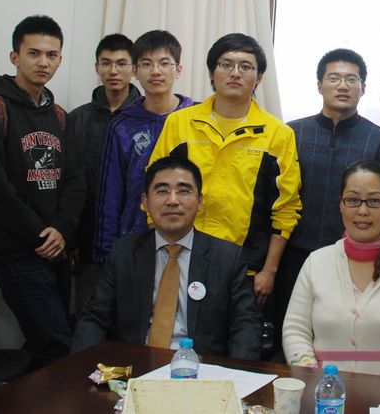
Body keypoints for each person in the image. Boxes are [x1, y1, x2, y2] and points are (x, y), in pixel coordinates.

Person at [148, 33, 301, 330]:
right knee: (176, 338)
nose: (235, 73)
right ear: (211, 72)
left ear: (259, 77)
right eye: (226, 64)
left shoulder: (278, 135)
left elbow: (285, 209)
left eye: (246, 66)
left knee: (235, 344)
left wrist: (269, 271)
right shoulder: (179, 123)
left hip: (246, 267)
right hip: (180, 257)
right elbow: (154, 191)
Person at [0, 15, 84, 368]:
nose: (43, 62)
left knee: (49, 340)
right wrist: (41, 234)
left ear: (60, 60)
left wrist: (62, 229)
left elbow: (75, 179)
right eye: (34, 53)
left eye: (51, 55)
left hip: (56, 248)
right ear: (15, 57)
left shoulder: (59, 116)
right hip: (16, 252)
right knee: (56, 345)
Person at [72, 156, 262, 359]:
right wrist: (79, 366)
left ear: (200, 201)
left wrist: (237, 374)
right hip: (134, 366)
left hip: (201, 369)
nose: (173, 200)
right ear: (145, 202)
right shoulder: (124, 252)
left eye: (184, 191)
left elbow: (245, 324)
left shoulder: (226, 257)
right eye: (162, 191)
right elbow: (95, 318)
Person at [279, 48, 380, 351]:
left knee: (345, 339)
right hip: (294, 255)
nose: (343, 86)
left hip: (354, 258)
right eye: (334, 78)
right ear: (319, 85)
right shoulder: (292, 133)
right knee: (292, 335)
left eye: (351, 79)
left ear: (363, 88)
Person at [283, 160, 380, 378]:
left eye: (374, 201)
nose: (363, 211)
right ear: (341, 204)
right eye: (353, 200)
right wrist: (315, 380)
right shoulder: (316, 262)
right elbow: (295, 330)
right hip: (321, 392)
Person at [94, 30, 194, 264]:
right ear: (135, 70)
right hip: (135, 238)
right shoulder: (122, 124)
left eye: (164, 63)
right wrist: (107, 254)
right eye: (146, 64)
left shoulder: (196, 120)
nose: (156, 71)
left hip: (190, 238)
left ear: (179, 69)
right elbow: (111, 193)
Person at [66, 33, 141, 312]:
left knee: (132, 316)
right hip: (88, 236)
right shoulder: (77, 119)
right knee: (89, 313)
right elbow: (69, 181)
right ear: (96, 67)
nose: (113, 71)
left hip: (136, 237)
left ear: (133, 68)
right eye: (106, 63)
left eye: (121, 63)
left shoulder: (146, 116)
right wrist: (70, 237)